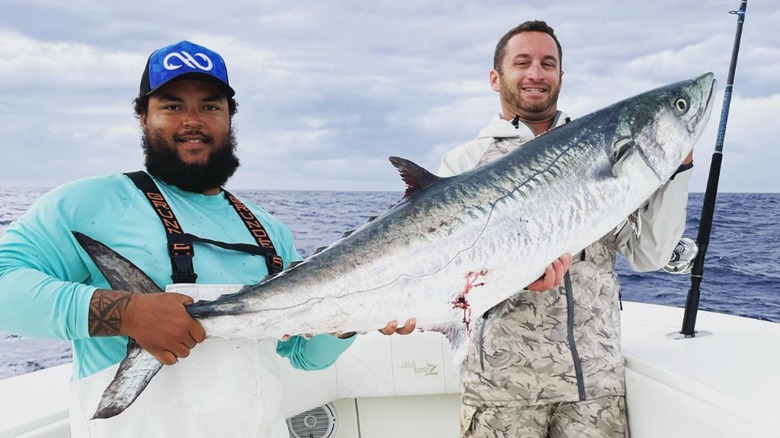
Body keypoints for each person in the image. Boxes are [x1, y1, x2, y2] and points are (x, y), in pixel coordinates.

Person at [0, 40, 413, 437]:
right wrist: (129, 312)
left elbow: (303, 355)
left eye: (210, 106)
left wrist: (357, 317)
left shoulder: (267, 229)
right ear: (143, 116)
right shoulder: (90, 203)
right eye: (173, 105)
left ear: (230, 118)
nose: (192, 120)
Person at [438, 21, 693, 437]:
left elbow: (650, 255)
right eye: (523, 62)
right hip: (501, 392)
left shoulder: (607, 152)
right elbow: (448, 272)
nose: (536, 73)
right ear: (495, 78)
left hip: (595, 390)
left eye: (548, 63)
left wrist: (677, 169)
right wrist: (519, 276)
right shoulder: (464, 162)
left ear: (560, 76)